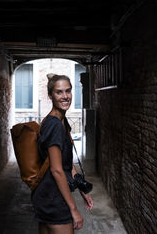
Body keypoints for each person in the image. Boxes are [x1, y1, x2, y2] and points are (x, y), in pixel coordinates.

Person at [32, 73, 94, 234]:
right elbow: (57, 170)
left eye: (68, 91)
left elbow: (67, 164)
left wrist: (81, 190)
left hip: (45, 196)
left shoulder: (61, 121)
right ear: (50, 95)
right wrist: (73, 209)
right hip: (53, 198)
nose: (65, 96)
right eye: (59, 92)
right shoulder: (54, 126)